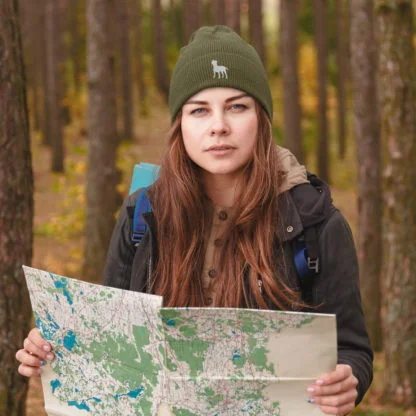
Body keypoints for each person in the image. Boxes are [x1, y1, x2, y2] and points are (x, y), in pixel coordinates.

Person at [16, 26, 373, 415]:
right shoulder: (142, 215)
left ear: (261, 118)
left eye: (237, 106)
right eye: (199, 110)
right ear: (180, 125)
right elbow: (111, 343)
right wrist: (52, 351)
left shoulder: (314, 221)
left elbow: (352, 349)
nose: (218, 125)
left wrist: (348, 379)